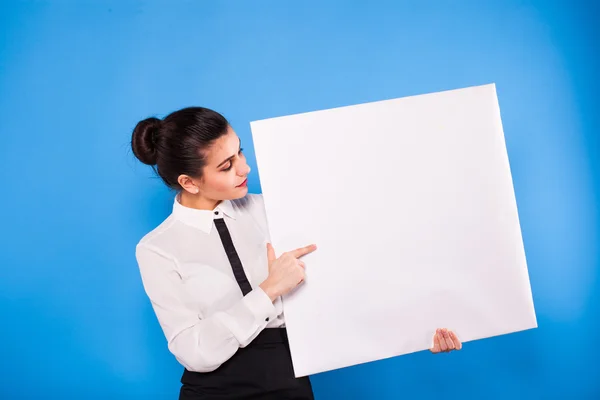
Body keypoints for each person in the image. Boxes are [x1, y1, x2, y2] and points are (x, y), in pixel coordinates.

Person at [131, 107, 462, 400]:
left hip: (289, 385)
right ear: (189, 182)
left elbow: (353, 277)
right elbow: (195, 351)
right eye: (227, 165)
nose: (245, 169)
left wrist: (419, 330)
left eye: (240, 153)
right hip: (211, 392)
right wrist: (270, 288)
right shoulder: (157, 249)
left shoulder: (277, 209)